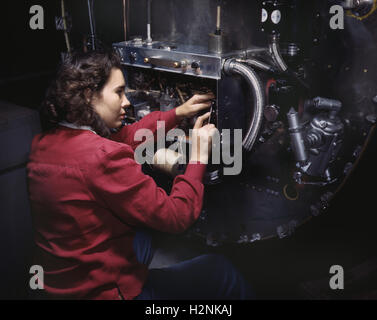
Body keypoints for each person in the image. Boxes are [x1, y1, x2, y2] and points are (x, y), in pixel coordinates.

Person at [27, 50, 254, 300]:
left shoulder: (42, 144)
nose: (127, 102)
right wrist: (198, 155)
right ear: (89, 96)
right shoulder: (103, 157)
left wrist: (178, 113)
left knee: (144, 237)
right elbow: (177, 215)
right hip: (103, 294)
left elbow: (125, 137)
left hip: (60, 285)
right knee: (221, 271)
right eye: (118, 92)